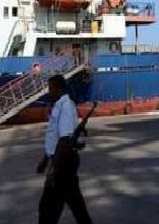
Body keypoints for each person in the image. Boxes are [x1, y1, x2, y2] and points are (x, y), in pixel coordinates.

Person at [36, 75, 93, 224]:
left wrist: (53, 169)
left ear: (58, 88)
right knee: (75, 203)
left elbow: (64, 140)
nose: (49, 91)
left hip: (63, 162)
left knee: (48, 208)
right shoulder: (59, 105)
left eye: (50, 88)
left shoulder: (66, 106)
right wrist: (45, 159)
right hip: (63, 160)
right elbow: (55, 137)